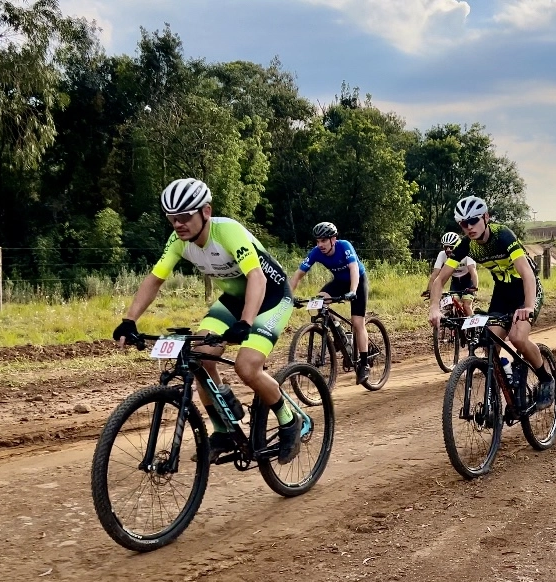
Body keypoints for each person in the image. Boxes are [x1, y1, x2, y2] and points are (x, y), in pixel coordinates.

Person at [112, 178, 301, 464]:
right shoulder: (178, 241)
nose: (178, 224)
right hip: (235, 299)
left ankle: (290, 421)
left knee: (246, 366)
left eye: (185, 216)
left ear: (206, 212)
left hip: (271, 297)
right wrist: (129, 320)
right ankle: (224, 429)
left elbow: (256, 277)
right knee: (198, 357)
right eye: (172, 218)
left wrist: (246, 323)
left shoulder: (228, 232)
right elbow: (154, 280)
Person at [427, 196, 555, 410]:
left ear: (486, 217)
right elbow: (440, 279)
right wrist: (434, 307)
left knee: (517, 337)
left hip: (525, 289)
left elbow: (527, 274)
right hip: (503, 293)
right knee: (490, 343)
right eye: (463, 224)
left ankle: (546, 379)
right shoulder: (466, 244)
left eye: (473, 221)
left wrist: (529, 306)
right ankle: (506, 381)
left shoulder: (502, 235)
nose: (469, 227)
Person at [289, 222, 372, 384]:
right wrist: (288, 296)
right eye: (318, 241)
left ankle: (364, 363)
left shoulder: (344, 246)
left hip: (358, 281)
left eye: (324, 241)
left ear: (333, 239)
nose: (320, 245)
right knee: (317, 302)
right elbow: (298, 274)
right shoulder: (316, 252)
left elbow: (354, 269)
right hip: (339, 282)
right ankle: (341, 336)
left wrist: (353, 291)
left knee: (357, 322)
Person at [422, 231, 478, 315]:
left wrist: (475, 287)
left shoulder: (466, 253)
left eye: (451, 247)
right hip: (455, 282)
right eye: (445, 247)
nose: (448, 250)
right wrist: (429, 290)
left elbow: (473, 271)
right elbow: (435, 274)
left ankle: (473, 327)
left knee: (466, 306)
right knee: (452, 304)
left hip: (468, 282)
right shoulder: (442, 255)